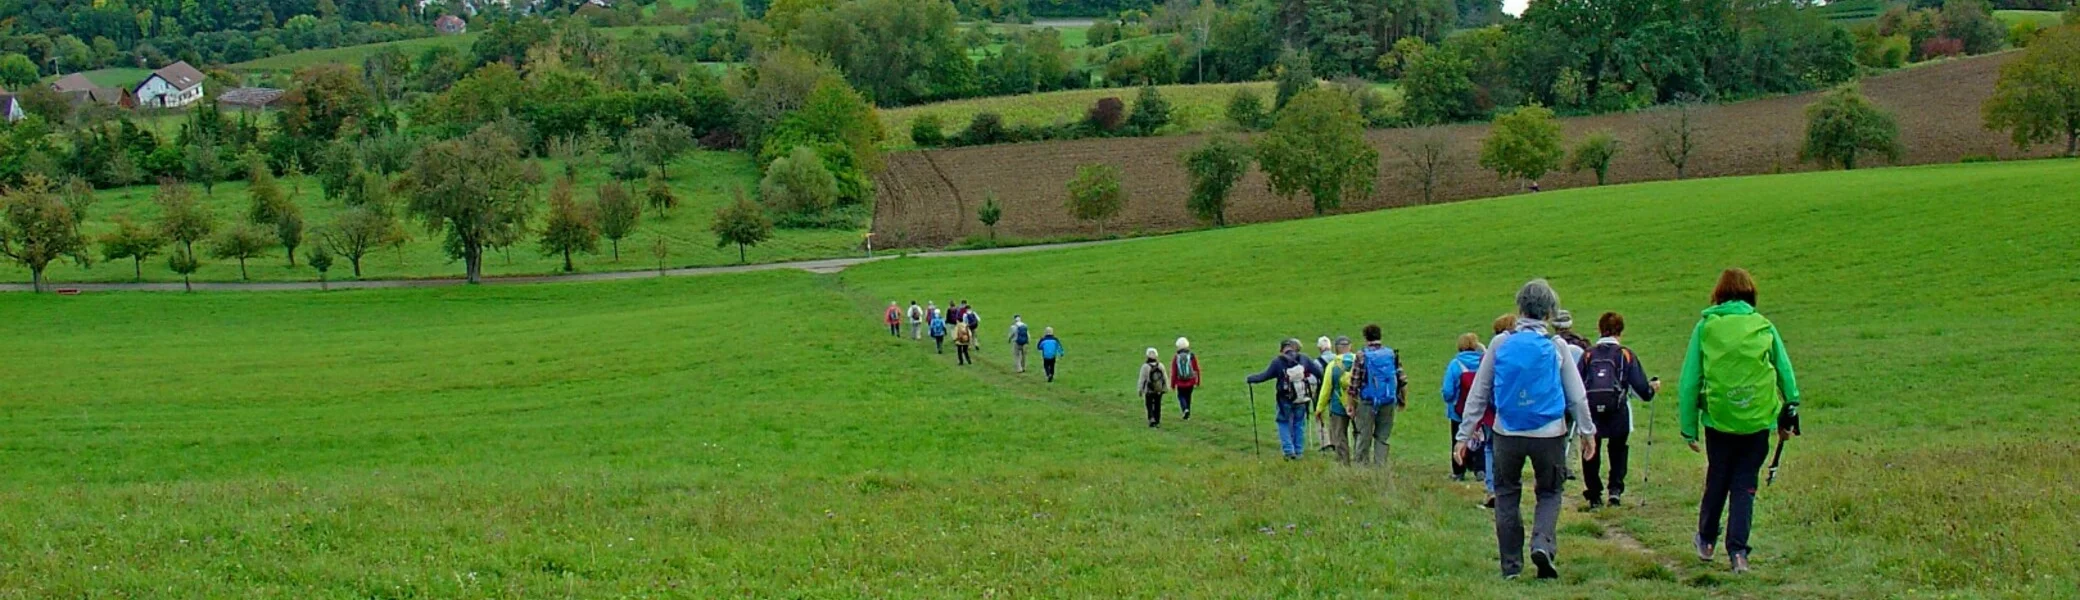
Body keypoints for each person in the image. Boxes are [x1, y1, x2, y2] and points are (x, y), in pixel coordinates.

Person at [1454, 280, 1597, 580]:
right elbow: (1576, 394)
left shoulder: (1500, 344)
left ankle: (1511, 566)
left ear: (1520, 308)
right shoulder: (1556, 346)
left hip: (1507, 431)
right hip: (1549, 433)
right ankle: (1542, 543)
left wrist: (1464, 435)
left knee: (1506, 493)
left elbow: (1480, 392)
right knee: (1550, 491)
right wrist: (1587, 431)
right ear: (1549, 312)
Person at [1679, 268, 1801, 575]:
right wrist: (1792, 405)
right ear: (1750, 294)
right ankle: (1738, 552)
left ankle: (1706, 540)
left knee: (1718, 477)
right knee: (1745, 484)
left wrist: (1688, 427)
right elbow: (1785, 372)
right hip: (1758, 418)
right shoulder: (1763, 325)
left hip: (1719, 418)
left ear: (1718, 294)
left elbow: (1690, 380)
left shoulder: (1706, 326)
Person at [1580, 312, 1661, 509]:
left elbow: (1577, 383)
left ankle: (1594, 495)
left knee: (1591, 450)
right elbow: (1642, 390)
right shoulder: (1625, 354)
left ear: (1600, 329)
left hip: (1591, 411)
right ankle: (1615, 491)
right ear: (1621, 331)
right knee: (1618, 450)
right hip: (1618, 412)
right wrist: (1653, 388)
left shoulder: (1589, 354)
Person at [1245, 339, 1322, 460]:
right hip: (1302, 398)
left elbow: (1264, 376)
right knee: (1299, 424)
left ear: (1282, 350)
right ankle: (1299, 452)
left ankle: (1288, 451)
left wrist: (1251, 379)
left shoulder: (1278, 362)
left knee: (1283, 422)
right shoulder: (1304, 359)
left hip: (1284, 399)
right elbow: (1319, 372)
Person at [1349, 324, 1408, 468]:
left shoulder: (1361, 355)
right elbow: (1402, 379)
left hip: (1367, 401)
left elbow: (1354, 383)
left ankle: (1361, 467)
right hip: (1388, 400)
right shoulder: (1391, 354)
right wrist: (1402, 399)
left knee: (1364, 434)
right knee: (1383, 435)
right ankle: (1380, 466)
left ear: (1365, 337)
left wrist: (1350, 404)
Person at [1441, 333, 1485, 481]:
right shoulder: (1483, 362)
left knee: (1457, 438)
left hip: (1458, 410)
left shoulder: (1455, 364)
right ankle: (1481, 469)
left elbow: (1447, 390)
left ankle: (1459, 470)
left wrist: (1451, 401)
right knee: (1480, 438)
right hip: (1480, 409)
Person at [1315, 337, 1359, 464]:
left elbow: (1326, 389)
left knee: (1340, 436)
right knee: (1359, 434)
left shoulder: (1333, 365)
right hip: (1358, 404)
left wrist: (1319, 408)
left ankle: (1343, 462)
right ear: (1350, 347)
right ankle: (1360, 460)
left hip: (1338, 405)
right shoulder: (1360, 361)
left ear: (1336, 348)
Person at [1136, 348, 1170, 427]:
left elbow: (1142, 379)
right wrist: (1166, 387)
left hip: (1149, 390)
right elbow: (1165, 377)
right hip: (1159, 390)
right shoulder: (1161, 365)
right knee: (1158, 404)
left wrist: (1140, 390)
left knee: (1149, 404)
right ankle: (1157, 419)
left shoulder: (1145, 366)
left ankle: (1151, 418)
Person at [1314, 336, 1336, 451]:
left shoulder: (1317, 362)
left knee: (1319, 415)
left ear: (1319, 348)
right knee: (1335, 416)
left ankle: (1325, 442)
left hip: (1321, 391)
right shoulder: (1338, 359)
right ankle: (1336, 440)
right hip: (1337, 392)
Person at [1171, 338, 1201, 420]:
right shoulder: (1191, 356)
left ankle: (1185, 409)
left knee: (1181, 396)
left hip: (1180, 382)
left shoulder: (1176, 357)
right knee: (1188, 397)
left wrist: (1173, 384)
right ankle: (1188, 413)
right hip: (1191, 381)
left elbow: (1174, 372)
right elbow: (1197, 369)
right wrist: (1198, 381)